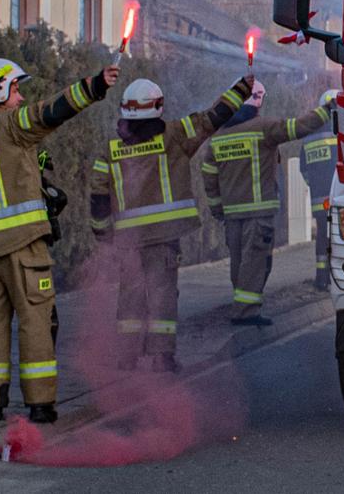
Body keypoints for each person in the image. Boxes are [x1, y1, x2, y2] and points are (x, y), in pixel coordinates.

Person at [0, 57, 117, 423]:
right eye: (16, 89)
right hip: (23, 247)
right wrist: (96, 85)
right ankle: (40, 405)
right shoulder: (10, 125)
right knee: (36, 320)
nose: (20, 98)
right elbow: (52, 111)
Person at [91, 74, 255, 372]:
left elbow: (98, 194)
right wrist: (242, 89)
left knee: (129, 294)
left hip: (128, 240)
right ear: (158, 106)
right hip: (164, 236)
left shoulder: (110, 150)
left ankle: (126, 356)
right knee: (163, 294)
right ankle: (162, 357)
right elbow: (213, 117)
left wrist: (103, 233)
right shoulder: (175, 134)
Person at [200, 85, 331, 325]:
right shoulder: (263, 127)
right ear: (257, 99)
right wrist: (327, 110)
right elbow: (297, 127)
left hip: (231, 215)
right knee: (256, 261)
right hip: (258, 212)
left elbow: (209, 176)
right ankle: (246, 313)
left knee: (239, 261)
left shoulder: (219, 137)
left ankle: (241, 305)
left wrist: (217, 209)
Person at [294, 114, 340, 290]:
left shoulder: (308, 136)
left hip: (317, 198)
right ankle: (336, 277)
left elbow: (303, 169)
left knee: (322, 234)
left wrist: (313, 184)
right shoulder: (337, 131)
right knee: (339, 235)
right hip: (337, 196)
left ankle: (321, 278)